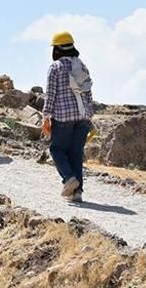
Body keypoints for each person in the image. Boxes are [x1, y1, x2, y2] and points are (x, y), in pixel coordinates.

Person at [42, 31, 94, 203]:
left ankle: (69, 178)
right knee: (76, 154)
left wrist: (46, 116)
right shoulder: (82, 66)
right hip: (83, 117)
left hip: (63, 117)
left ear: (57, 48)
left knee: (56, 150)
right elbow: (88, 93)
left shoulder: (55, 67)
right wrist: (89, 116)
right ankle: (77, 192)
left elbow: (51, 94)